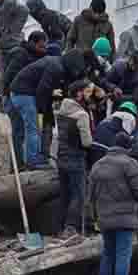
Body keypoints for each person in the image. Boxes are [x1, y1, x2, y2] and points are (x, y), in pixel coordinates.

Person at [88, 134, 138, 275]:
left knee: (108, 254)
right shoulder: (129, 163)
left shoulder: (97, 165)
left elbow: (90, 195)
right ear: (128, 148)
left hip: (104, 218)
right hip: (124, 217)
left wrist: (95, 217)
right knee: (123, 254)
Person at [8, 50, 92, 170]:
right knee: (33, 128)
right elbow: (43, 90)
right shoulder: (56, 68)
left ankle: (23, 162)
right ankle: (33, 161)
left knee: (23, 130)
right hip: (24, 94)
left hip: (18, 92)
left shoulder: (56, 62)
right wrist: (42, 112)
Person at [53, 80, 94, 235]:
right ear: (79, 93)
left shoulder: (62, 110)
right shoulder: (81, 115)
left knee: (65, 194)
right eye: (87, 92)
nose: (89, 95)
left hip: (61, 157)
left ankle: (59, 227)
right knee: (79, 194)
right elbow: (87, 142)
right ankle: (71, 228)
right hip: (76, 158)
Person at [1, 32, 47, 167]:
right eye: (41, 46)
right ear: (32, 42)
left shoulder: (31, 54)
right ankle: (24, 162)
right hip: (15, 96)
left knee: (20, 131)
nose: (43, 49)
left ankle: (18, 163)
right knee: (24, 130)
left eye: (45, 46)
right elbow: (8, 76)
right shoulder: (21, 55)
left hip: (15, 96)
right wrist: (7, 96)